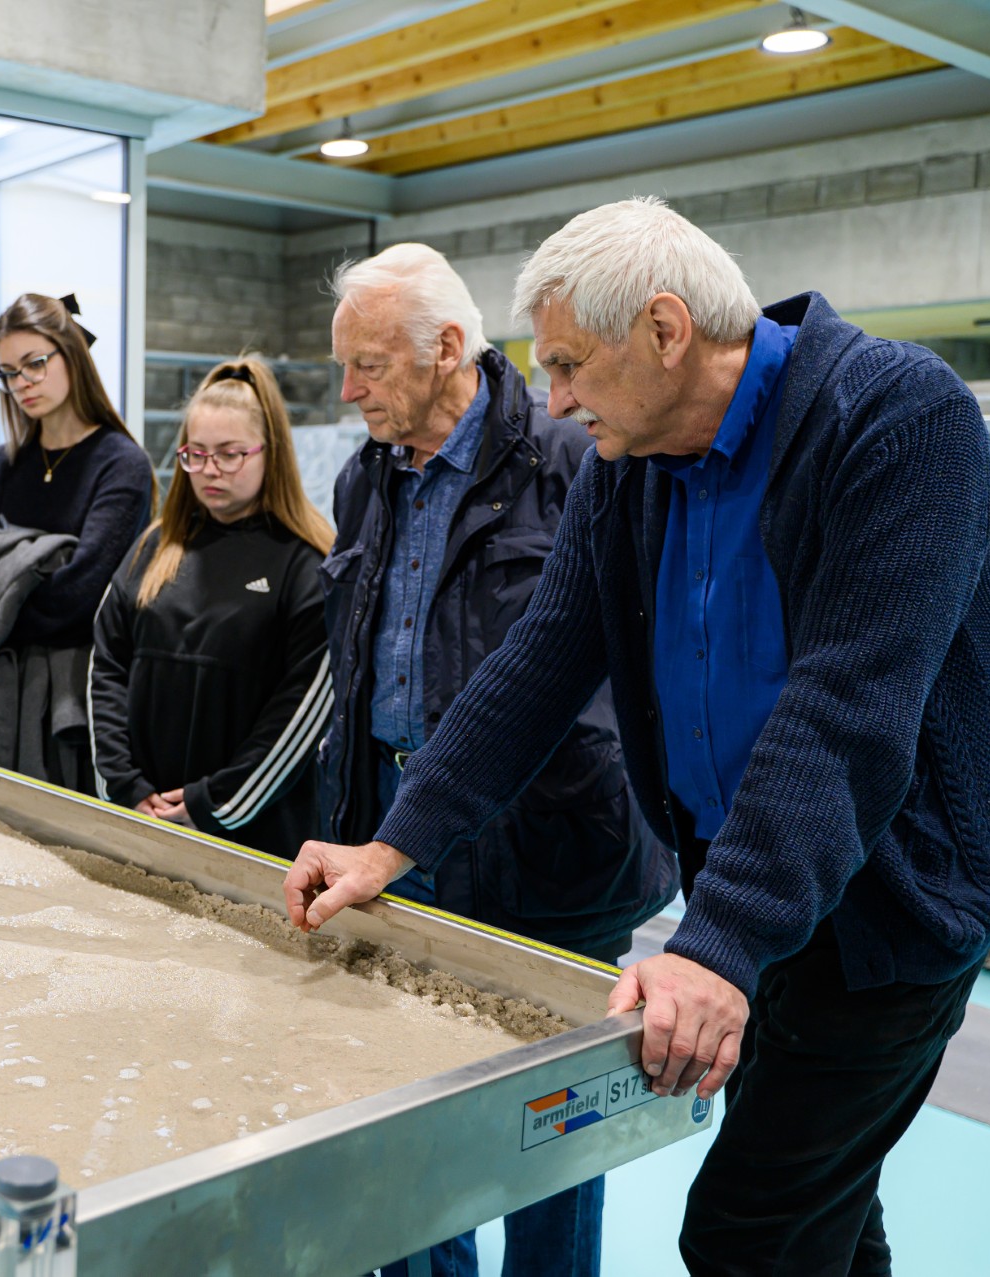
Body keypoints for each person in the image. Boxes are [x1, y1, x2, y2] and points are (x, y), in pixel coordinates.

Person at [286, 199, 990, 1276]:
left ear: (666, 330)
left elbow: (845, 709)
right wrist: (394, 842)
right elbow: (538, 664)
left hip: (891, 903)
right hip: (755, 883)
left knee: (747, 1230)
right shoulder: (624, 468)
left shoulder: (898, 419)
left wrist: (715, 944)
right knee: (825, 1211)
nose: (555, 398)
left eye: (570, 365)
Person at [308, 243, 675, 1277]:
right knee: (413, 1123)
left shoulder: (576, 458)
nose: (349, 392)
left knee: (549, 1134)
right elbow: (351, 666)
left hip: (552, 847)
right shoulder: (365, 475)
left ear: (446, 349)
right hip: (400, 842)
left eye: (369, 365)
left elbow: (621, 657)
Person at [87, 357, 334, 859]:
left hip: (255, 835)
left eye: (229, 454)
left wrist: (214, 802)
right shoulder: (154, 547)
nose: (209, 470)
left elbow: (302, 712)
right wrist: (125, 786)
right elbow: (106, 668)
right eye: (195, 454)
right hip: (145, 819)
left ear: (270, 452)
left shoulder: (306, 562)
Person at [0, 293, 154, 792]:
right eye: (8, 373)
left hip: (74, 697)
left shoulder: (121, 464)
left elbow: (78, 597)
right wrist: (34, 566)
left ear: (71, 355)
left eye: (34, 364)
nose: (21, 384)